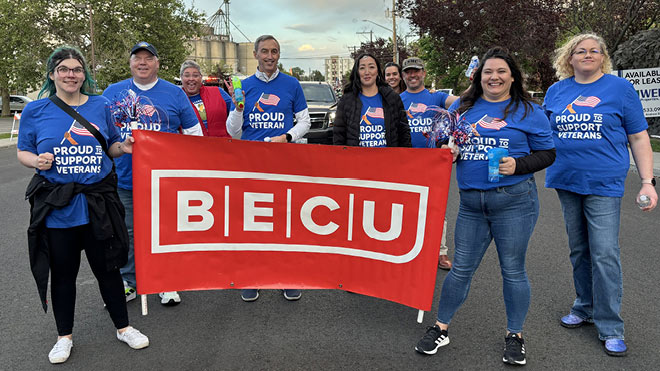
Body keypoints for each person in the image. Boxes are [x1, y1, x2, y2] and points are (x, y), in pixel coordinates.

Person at [414, 47, 556, 366]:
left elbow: (548, 153)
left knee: (513, 271)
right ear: (479, 77)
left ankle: (515, 335)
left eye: (501, 71)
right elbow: (448, 144)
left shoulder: (528, 111)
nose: (494, 77)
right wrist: (449, 150)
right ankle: (441, 327)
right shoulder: (465, 109)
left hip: (514, 203)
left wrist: (518, 165)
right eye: (488, 72)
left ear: (513, 76)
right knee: (461, 270)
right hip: (471, 205)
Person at [17, 46, 149, 364]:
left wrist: (126, 146)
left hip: (97, 205)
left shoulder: (101, 105)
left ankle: (124, 327)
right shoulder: (36, 111)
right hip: (59, 206)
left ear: (83, 75)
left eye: (77, 69)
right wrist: (38, 160)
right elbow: (23, 152)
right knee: (63, 274)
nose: (71, 74)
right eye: (64, 69)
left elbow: (112, 146)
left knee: (108, 269)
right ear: (52, 74)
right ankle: (64, 337)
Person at [543, 33, 657, 357]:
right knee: (579, 250)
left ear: (603, 57)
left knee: (604, 252)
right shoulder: (556, 91)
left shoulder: (620, 89)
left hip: (604, 183)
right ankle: (584, 307)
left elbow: (638, 136)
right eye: (581, 51)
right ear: (570, 57)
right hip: (566, 180)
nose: (588, 55)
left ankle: (610, 326)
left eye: (594, 51)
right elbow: (540, 133)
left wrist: (648, 181)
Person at [103, 42, 203, 306]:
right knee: (127, 232)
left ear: (158, 63)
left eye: (149, 58)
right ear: (131, 63)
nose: (143, 63)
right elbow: (101, 135)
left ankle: (165, 281)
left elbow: (194, 134)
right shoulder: (113, 92)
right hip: (125, 179)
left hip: (164, 180)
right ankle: (129, 281)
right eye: (138, 58)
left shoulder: (174, 94)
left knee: (165, 231)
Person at [226, 34, 310, 302]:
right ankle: (253, 277)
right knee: (253, 224)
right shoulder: (244, 86)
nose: (270, 56)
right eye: (264, 52)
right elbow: (234, 133)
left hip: (285, 166)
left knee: (285, 223)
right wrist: (238, 108)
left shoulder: (292, 84)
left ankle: (287, 277)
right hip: (251, 167)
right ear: (255, 55)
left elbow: (304, 122)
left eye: (274, 51)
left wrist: (286, 137)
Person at [399, 57, 459, 270]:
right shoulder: (398, 99)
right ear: (403, 75)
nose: (412, 75)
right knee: (407, 208)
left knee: (436, 208)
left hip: (433, 162)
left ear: (424, 73)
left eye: (416, 71)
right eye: (408, 72)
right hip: (405, 162)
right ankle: (407, 249)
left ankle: (440, 251)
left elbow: (464, 101)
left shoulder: (438, 97)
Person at [333, 53, 411, 147]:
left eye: (371, 67)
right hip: (357, 159)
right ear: (357, 72)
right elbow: (338, 136)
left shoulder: (392, 98)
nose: (367, 72)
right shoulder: (346, 100)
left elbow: (404, 133)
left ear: (378, 71)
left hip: (388, 159)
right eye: (362, 68)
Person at [180, 60, 232, 137]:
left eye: (195, 75)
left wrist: (237, 100)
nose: (191, 79)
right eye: (187, 75)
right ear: (181, 78)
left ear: (201, 78)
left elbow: (237, 113)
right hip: (193, 146)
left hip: (221, 145)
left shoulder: (218, 92)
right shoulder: (176, 99)